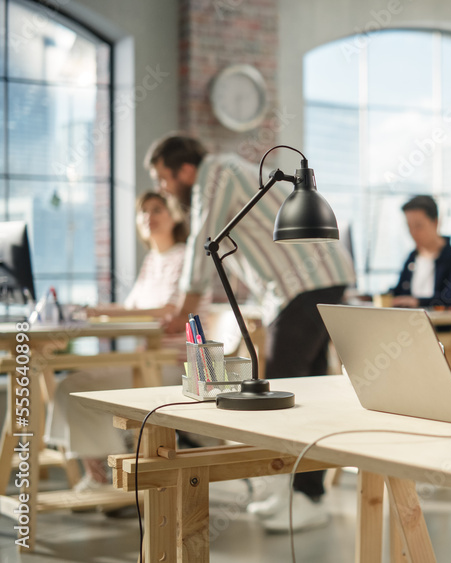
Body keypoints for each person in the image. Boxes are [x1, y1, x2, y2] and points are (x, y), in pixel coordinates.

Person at [145, 134, 356, 533]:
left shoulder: (217, 171)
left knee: (283, 391)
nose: (163, 188)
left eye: (162, 178)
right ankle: (302, 494)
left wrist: (184, 306)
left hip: (308, 283)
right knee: (305, 388)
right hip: (309, 283)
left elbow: (201, 238)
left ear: (185, 170)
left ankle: (299, 493)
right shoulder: (233, 174)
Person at [47, 192, 209, 495]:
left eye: (157, 209)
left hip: (177, 366)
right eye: (143, 211)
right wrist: (91, 310)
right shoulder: (153, 260)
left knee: (75, 388)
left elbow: (168, 312)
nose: (149, 216)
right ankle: (99, 476)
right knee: (67, 385)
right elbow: (133, 307)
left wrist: (99, 311)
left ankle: (107, 479)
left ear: (175, 215)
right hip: (145, 359)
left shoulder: (186, 257)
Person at [390, 194, 451, 309]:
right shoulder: (412, 258)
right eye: (409, 226)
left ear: (435, 222)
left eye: (418, 226)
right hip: (408, 324)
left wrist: (419, 302)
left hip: (443, 326)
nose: (413, 232)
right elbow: (399, 293)